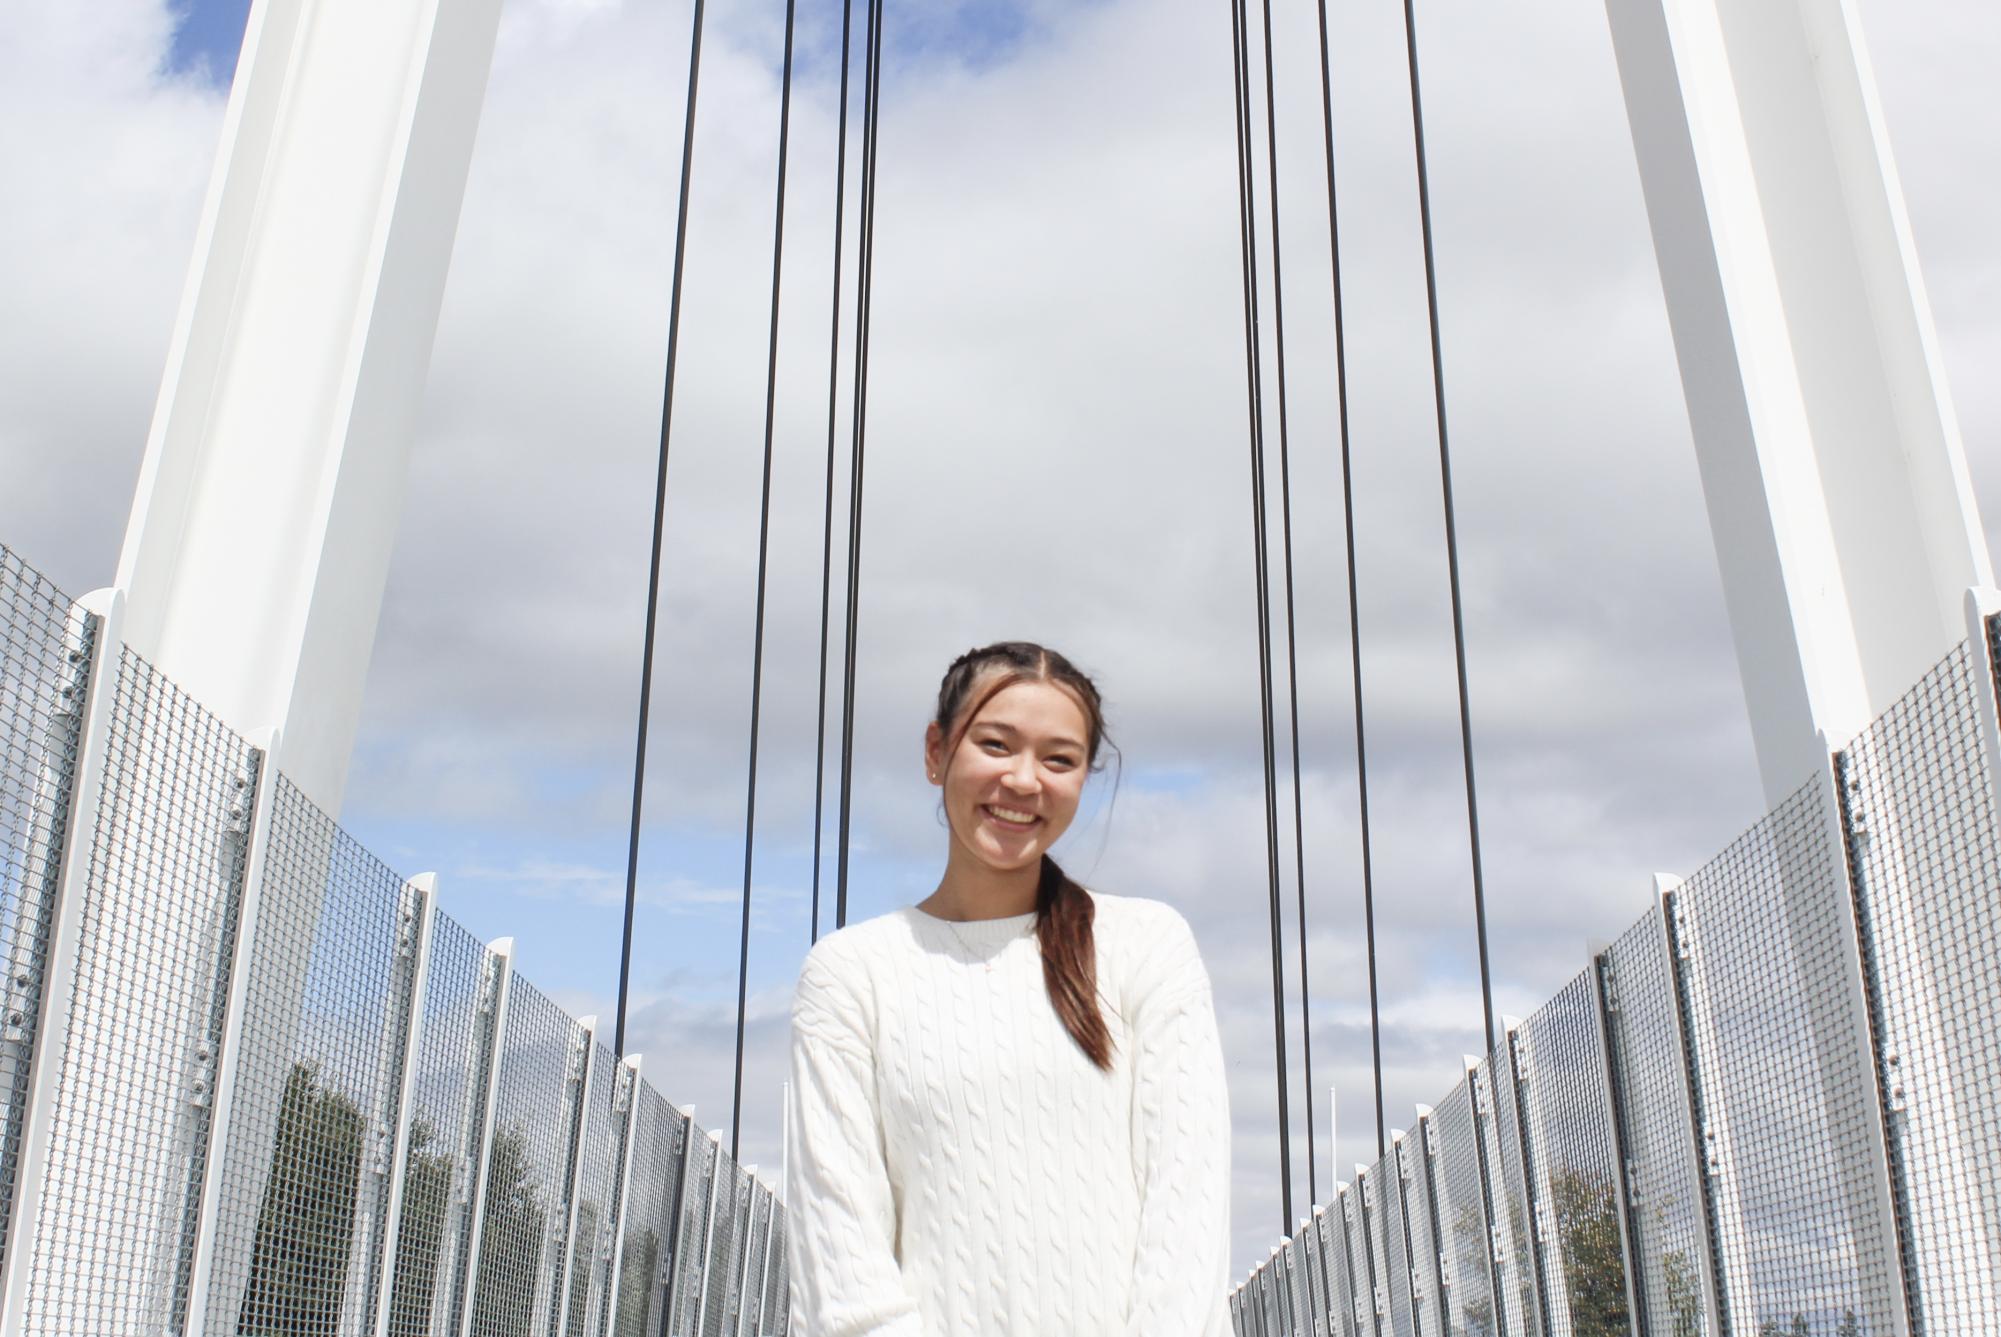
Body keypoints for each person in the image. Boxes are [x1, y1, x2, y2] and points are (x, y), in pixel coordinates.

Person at [786, 641, 1232, 1336]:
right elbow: (837, 1245)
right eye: (995, 744)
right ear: (935, 752)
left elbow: (1188, 1207)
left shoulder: (1147, 944)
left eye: (1059, 759)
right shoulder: (851, 971)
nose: (1024, 780)